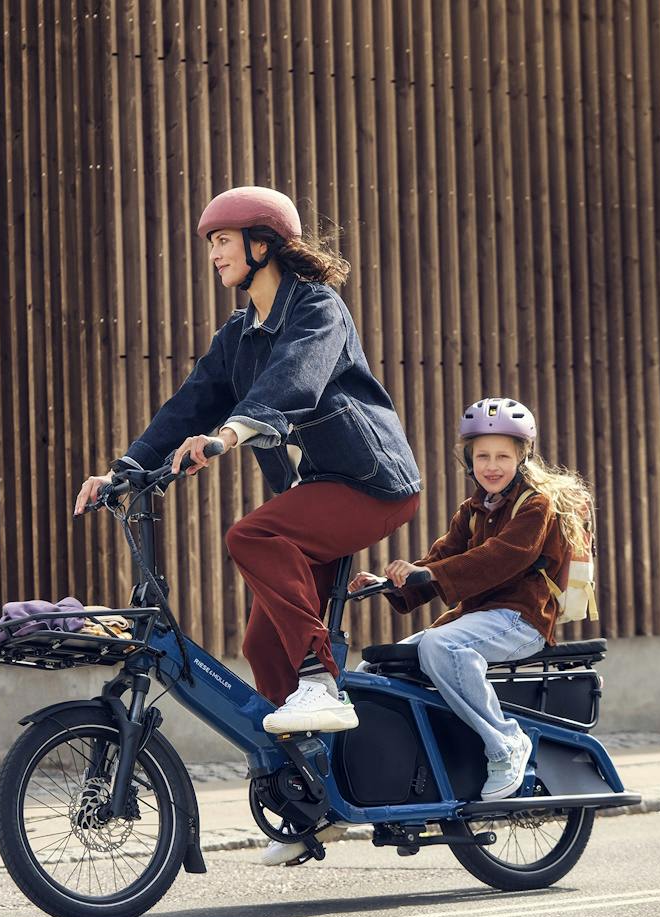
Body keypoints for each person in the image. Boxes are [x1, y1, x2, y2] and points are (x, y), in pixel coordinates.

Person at [73, 185, 421, 735]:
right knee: (261, 642)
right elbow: (189, 403)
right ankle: (312, 781)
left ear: (263, 243)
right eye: (211, 243)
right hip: (321, 486)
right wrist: (122, 471)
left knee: (251, 536)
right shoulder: (238, 334)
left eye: (223, 240)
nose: (214, 253)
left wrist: (228, 436)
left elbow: (296, 378)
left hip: (374, 481)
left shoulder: (318, 308)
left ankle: (319, 682)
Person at [351, 397, 596, 800]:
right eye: (482, 455)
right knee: (375, 670)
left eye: (503, 455)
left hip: (522, 620)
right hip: (477, 620)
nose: (492, 465)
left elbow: (503, 558)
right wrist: (390, 581)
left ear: (522, 457)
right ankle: (389, 781)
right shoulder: (472, 510)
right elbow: (443, 558)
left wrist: (430, 573)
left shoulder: (536, 505)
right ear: (469, 459)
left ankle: (505, 744)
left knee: (440, 644)